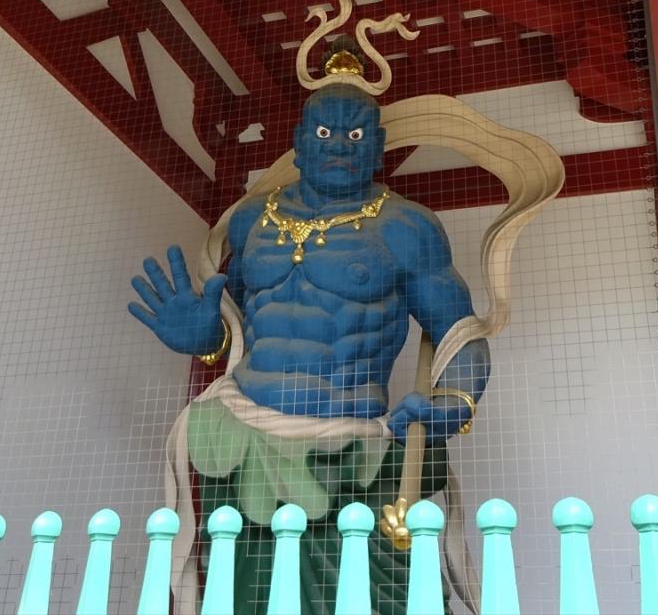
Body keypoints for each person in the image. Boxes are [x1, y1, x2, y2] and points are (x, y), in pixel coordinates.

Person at [130, 61, 488, 614]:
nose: (339, 145)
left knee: (379, 597)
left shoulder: (406, 227)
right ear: (299, 142)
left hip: (353, 449)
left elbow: (461, 333)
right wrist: (207, 341)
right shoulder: (251, 221)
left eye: (356, 134)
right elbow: (242, 328)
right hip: (243, 441)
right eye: (324, 132)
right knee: (245, 595)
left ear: (378, 147)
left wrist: (453, 404)